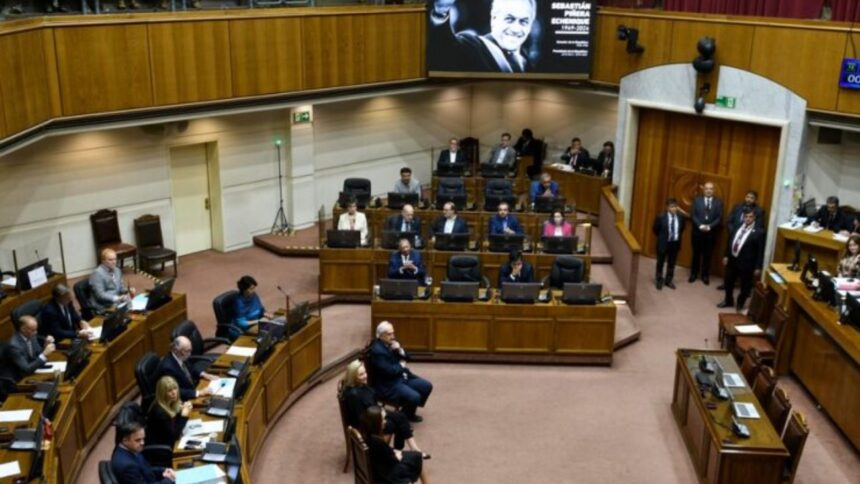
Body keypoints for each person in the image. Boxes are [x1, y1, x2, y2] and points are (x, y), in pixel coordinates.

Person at [343, 360, 427, 455]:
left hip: (376, 412)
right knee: (392, 424)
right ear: (353, 377)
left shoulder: (361, 386)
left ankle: (411, 449)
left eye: (365, 372)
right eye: (361, 375)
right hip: (370, 422)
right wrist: (380, 416)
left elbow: (371, 402)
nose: (365, 376)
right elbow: (360, 417)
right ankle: (390, 452)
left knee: (401, 416)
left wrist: (381, 411)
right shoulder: (354, 395)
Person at [428, 0, 537, 73]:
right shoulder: (470, 45)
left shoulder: (528, 63)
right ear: (494, 18)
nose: (515, 29)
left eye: (523, 22)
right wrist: (440, 12)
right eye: (509, 19)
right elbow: (443, 46)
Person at [368, 321, 433, 422]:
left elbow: (408, 357)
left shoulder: (391, 343)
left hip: (401, 377)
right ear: (380, 335)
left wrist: (400, 350)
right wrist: (401, 365)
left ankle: (407, 411)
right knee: (415, 397)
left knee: (426, 386)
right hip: (389, 384)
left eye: (393, 333)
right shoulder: (378, 352)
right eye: (389, 334)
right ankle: (405, 417)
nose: (393, 336)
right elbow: (390, 371)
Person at [360, 406, 429, 484]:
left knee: (417, 456)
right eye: (383, 419)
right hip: (385, 475)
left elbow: (385, 454)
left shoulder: (367, 437)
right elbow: (394, 460)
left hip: (379, 469)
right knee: (417, 458)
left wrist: (394, 452)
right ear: (376, 423)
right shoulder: (378, 442)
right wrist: (397, 455)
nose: (385, 421)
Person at [718, 210, 765, 311]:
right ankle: (728, 300)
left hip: (747, 263)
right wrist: (726, 255)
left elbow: (760, 251)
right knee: (728, 282)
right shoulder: (737, 226)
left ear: (754, 218)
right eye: (746, 216)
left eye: (750, 217)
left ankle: (740, 303)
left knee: (745, 287)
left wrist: (758, 266)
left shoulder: (759, 232)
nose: (748, 219)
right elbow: (730, 241)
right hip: (733, 260)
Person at [111, 421, 176, 483]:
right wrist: (169, 480)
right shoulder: (127, 466)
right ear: (125, 440)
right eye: (138, 440)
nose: (142, 443)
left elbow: (146, 470)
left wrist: (164, 470)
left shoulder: (131, 449)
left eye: (143, 439)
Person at [157, 336, 218, 401]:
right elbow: (174, 391)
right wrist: (198, 393)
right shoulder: (168, 368)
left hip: (193, 387)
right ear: (178, 351)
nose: (190, 353)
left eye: (190, 350)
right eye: (188, 351)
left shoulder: (180, 356)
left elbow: (191, 367)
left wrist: (204, 374)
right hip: (182, 400)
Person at [689, 182, 724, 285]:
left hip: (710, 234)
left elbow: (719, 218)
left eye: (711, 189)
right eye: (707, 189)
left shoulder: (719, 202)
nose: (709, 191)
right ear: (703, 190)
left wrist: (709, 227)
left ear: (714, 190)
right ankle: (693, 274)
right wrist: (700, 225)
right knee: (696, 254)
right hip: (697, 233)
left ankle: (705, 275)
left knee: (707, 256)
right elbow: (693, 215)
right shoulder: (697, 200)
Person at [3, 315, 55, 381]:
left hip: (33, 372)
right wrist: (44, 354)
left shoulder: (31, 336)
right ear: (23, 329)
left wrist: (45, 345)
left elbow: (38, 354)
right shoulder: (14, 346)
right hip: (19, 379)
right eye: (33, 330)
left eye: (36, 329)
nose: (36, 332)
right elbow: (26, 369)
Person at [145, 376, 192, 448]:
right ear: (163, 393)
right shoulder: (159, 412)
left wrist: (183, 408)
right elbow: (174, 435)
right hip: (164, 447)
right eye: (169, 390)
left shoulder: (170, 402)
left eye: (175, 388)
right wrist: (183, 415)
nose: (174, 392)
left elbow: (175, 420)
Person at [652, 198, 685, 290]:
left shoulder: (680, 217)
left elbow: (681, 229)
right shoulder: (660, 217)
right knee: (660, 262)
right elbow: (655, 230)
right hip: (663, 243)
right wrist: (663, 237)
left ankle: (668, 280)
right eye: (671, 207)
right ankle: (659, 280)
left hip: (674, 243)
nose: (673, 208)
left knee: (672, 263)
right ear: (667, 208)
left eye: (675, 206)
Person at [89, 248, 135, 313]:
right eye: (110, 260)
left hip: (116, 303)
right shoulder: (97, 274)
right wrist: (117, 298)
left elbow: (120, 288)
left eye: (115, 259)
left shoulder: (117, 270)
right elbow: (100, 295)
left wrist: (128, 290)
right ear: (103, 261)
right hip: (104, 307)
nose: (114, 262)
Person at [231, 275, 273, 340]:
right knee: (264, 338)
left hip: (255, 326)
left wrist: (266, 314)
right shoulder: (238, 302)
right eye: (251, 288)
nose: (253, 290)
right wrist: (259, 321)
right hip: (242, 331)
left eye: (254, 288)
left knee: (273, 331)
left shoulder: (254, 295)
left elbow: (261, 309)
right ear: (244, 289)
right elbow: (242, 323)